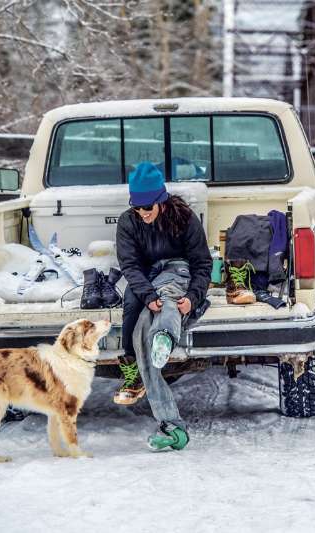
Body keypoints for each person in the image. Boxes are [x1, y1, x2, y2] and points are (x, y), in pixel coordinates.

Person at [115, 161, 211, 450]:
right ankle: (144, 356)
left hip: (177, 271)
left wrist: (193, 298)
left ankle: (164, 336)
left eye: (148, 207)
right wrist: (146, 295)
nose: (143, 213)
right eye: (138, 208)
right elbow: (129, 265)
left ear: (161, 201)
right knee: (136, 322)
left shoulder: (184, 218)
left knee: (170, 298)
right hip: (144, 277)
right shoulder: (128, 221)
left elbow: (202, 263)